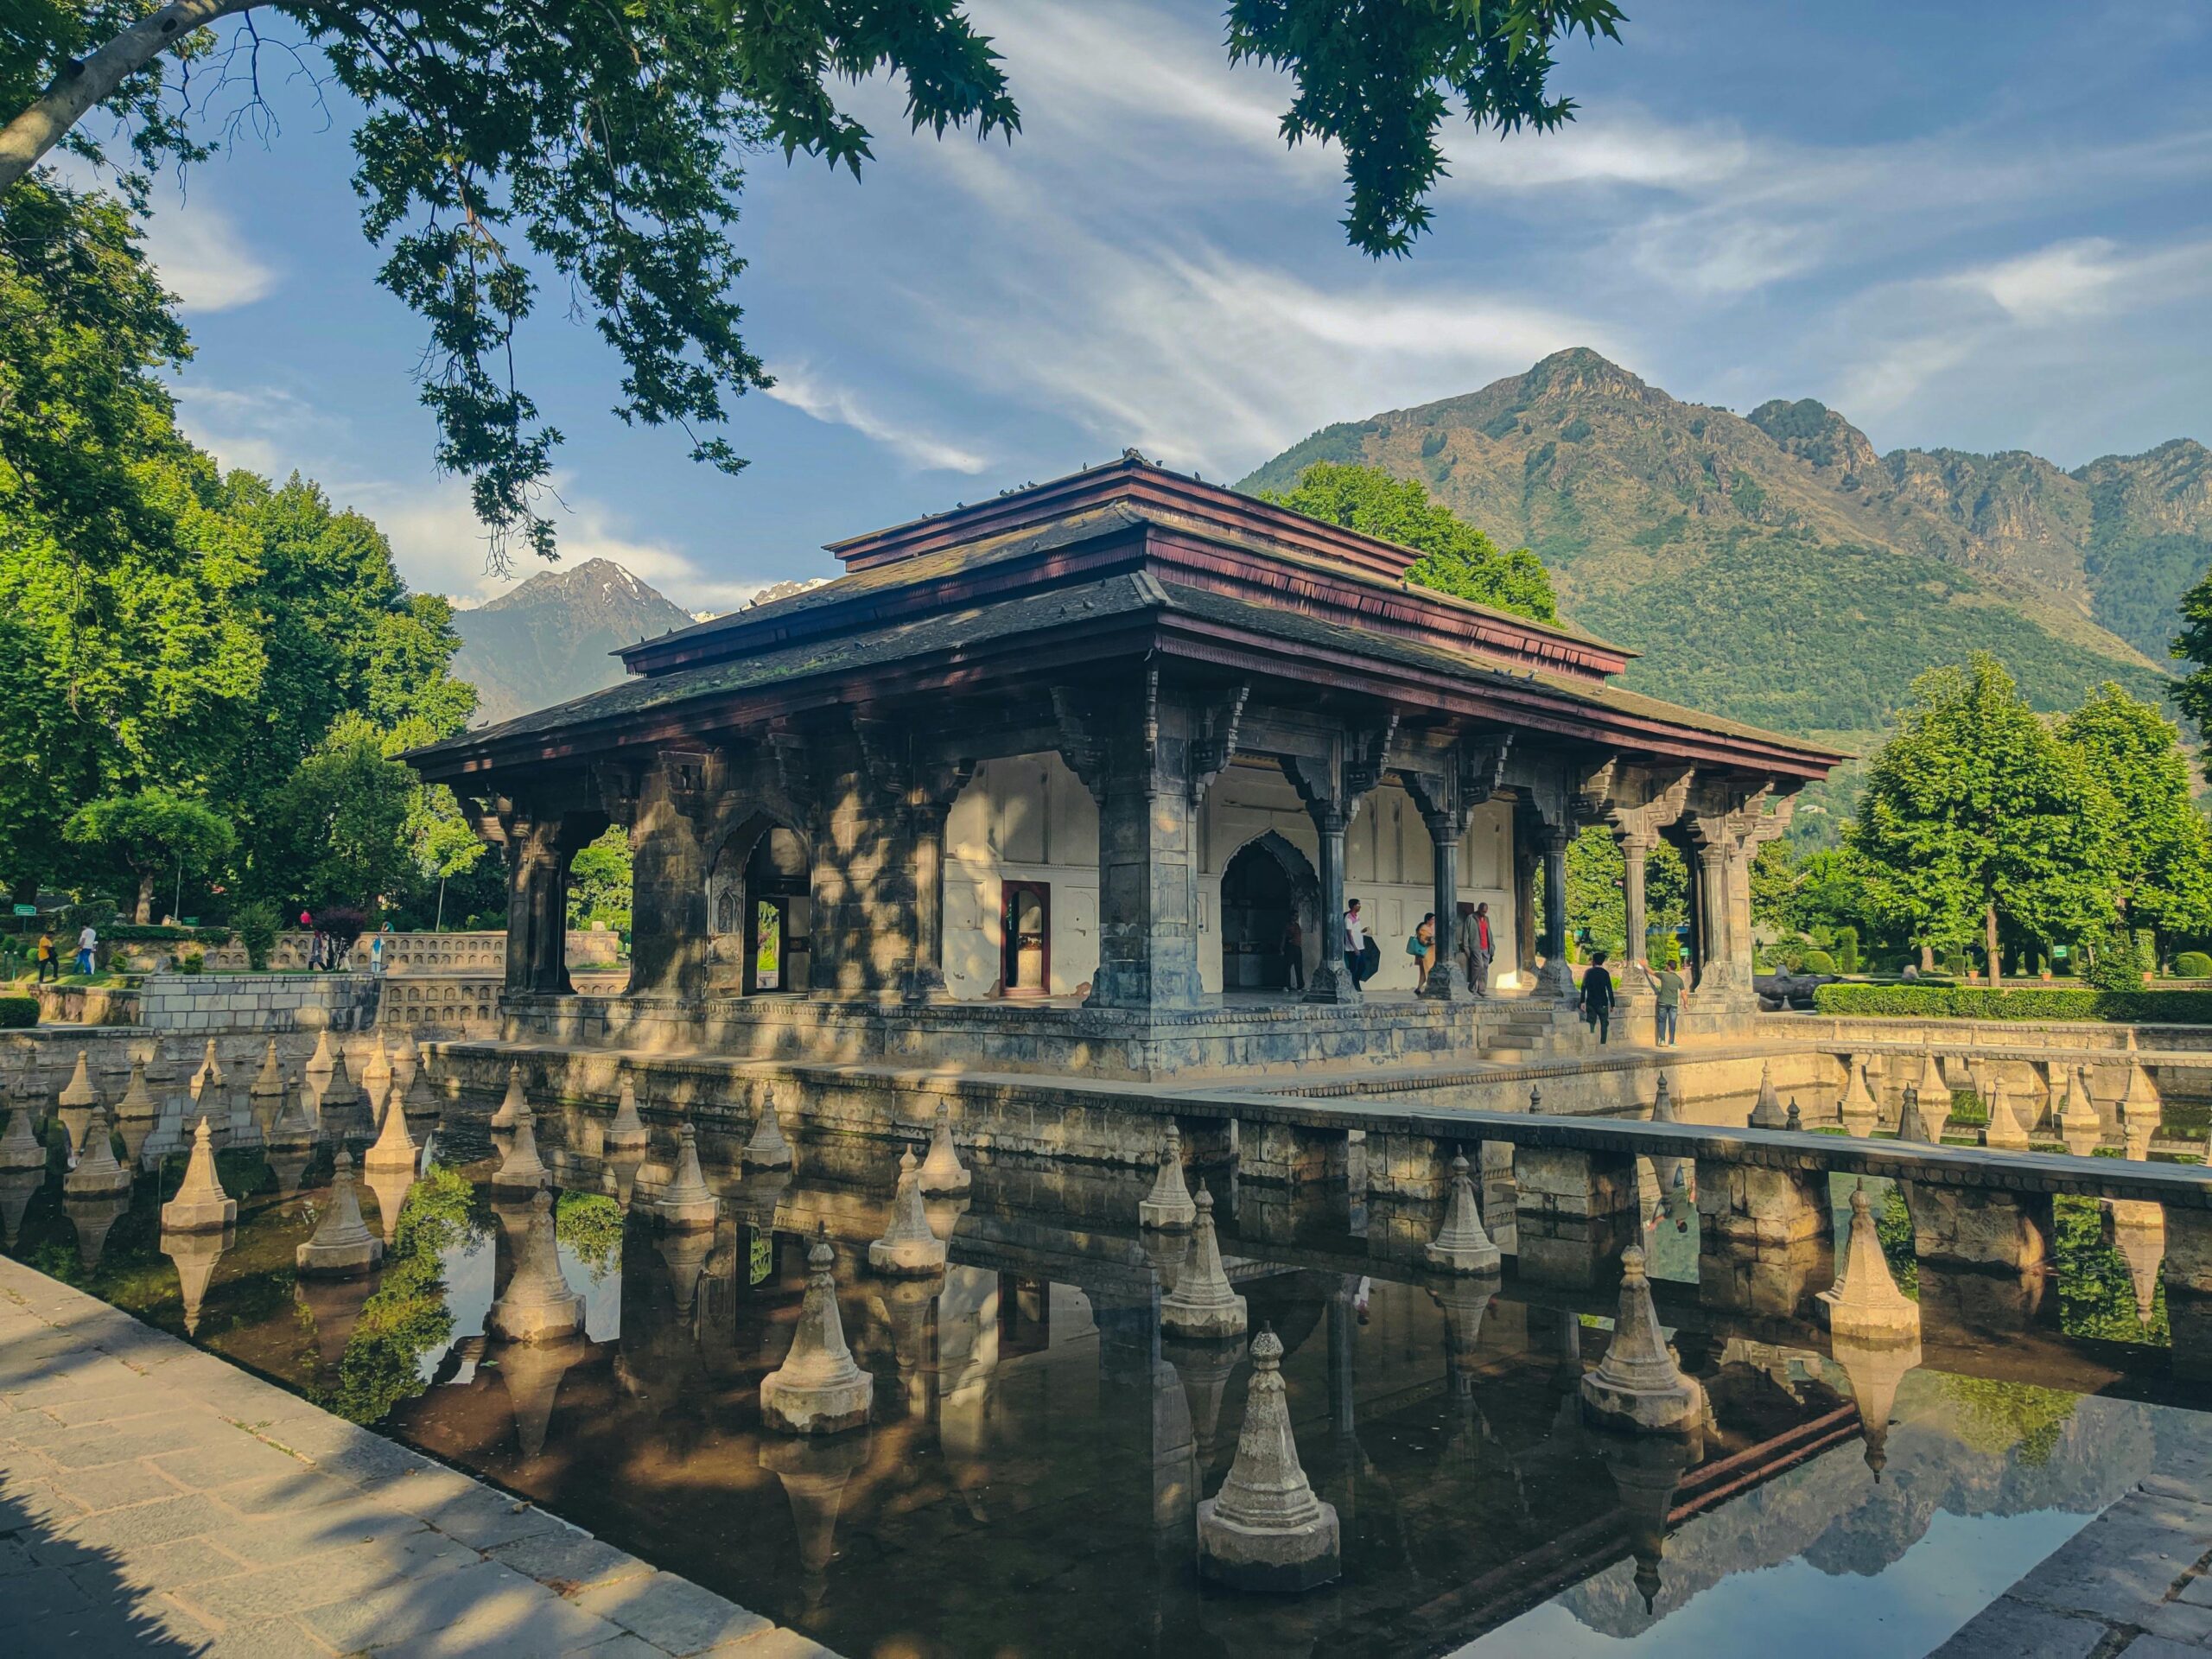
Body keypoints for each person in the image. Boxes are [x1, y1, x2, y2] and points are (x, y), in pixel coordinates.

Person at [1639, 955, 1688, 1046]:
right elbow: (1683, 993)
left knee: (1662, 1021)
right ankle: (1672, 1042)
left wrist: (1644, 965)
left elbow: (1651, 972)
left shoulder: (1664, 976)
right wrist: (1686, 1004)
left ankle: (1662, 1040)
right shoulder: (1679, 979)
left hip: (1662, 1002)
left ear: (1669, 967)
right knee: (1672, 1023)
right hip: (1673, 1004)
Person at [1579, 949, 1615, 1045]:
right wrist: (1612, 1004)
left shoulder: (1588, 972)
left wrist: (1582, 1002)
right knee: (1604, 1023)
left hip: (1591, 1002)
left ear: (1593, 961)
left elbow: (1583, 987)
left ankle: (1591, 1043)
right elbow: (1609, 990)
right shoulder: (1605, 973)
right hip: (1602, 1003)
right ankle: (1603, 1043)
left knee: (1591, 1022)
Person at [1467, 901, 1493, 997]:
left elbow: (1489, 933)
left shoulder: (1487, 919)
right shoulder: (1471, 918)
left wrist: (1492, 946)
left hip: (1486, 947)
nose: (1483, 913)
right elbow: (1466, 932)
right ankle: (1472, 987)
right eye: (1482, 911)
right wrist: (1466, 946)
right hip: (1476, 947)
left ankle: (1481, 989)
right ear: (1478, 909)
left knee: (1485, 968)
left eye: (1485, 912)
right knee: (1478, 966)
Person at [1408, 912, 1436, 991]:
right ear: (1428, 920)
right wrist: (1432, 940)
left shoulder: (1432, 927)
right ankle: (1430, 989)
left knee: (1423, 973)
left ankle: (1418, 989)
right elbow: (1423, 940)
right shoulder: (1424, 928)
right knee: (1429, 971)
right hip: (1425, 954)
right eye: (1432, 919)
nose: (1433, 921)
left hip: (1431, 953)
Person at [1343, 899, 1368, 986]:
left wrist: (1362, 931)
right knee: (1353, 968)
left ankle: (1355, 982)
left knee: (1363, 967)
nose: (1360, 906)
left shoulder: (1356, 917)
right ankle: (1352, 985)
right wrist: (1355, 948)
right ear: (1353, 906)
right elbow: (1349, 934)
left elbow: (1356, 931)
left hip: (1360, 946)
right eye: (1358, 904)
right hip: (1352, 948)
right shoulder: (1348, 918)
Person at [1281, 917, 1305, 992]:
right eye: (1294, 916)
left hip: (1297, 947)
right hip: (1290, 947)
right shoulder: (1287, 926)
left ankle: (1300, 986)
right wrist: (1281, 948)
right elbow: (1284, 937)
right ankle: (1286, 985)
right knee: (1287, 967)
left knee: (1299, 967)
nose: (1296, 917)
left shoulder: (1297, 926)